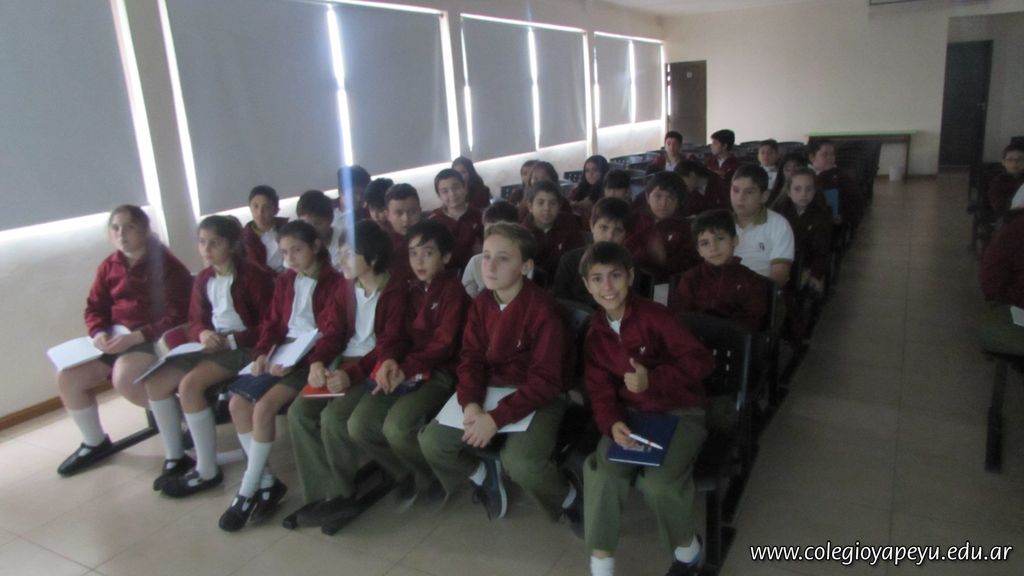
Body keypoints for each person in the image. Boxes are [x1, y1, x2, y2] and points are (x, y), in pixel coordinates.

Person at [419, 223, 581, 527]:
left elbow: (546, 380)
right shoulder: (482, 303)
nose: (490, 266)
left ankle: (569, 497)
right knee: (432, 442)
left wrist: (495, 419)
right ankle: (482, 475)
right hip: (491, 388)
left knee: (521, 463)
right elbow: (470, 359)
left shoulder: (544, 310)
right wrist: (470, 404)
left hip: (538, 394)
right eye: (486, 256)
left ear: (526, 267)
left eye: (503, 258)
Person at [580, 241, 714, 576]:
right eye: (597, 279)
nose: (607, 286)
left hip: (681, 411)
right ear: (587, 285)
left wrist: (652, 380)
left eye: (615, 276)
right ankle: (601, 565)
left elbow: (701, 361)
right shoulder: (595, 333)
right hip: (632, 417)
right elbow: (599, 391)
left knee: (659, 485)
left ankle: (688, 550)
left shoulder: (655, 316)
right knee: (603, 473)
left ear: (630, 277)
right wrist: (611, 423)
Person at [221, 220, 344, 532]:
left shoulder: (334, 282)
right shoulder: (286, 281)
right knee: (237, 403)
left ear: (316, 246)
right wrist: (262, 352)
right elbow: (273, 323)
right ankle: (266, 482)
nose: (290, 258)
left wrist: (300, 359)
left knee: (264, 407)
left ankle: (247, 491)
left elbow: (332, 333)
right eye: (285, 252)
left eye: (297, 250)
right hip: (283, 354)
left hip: (313, 359)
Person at [55, 205, 192, 477]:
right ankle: (94, 442)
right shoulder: (109, 265)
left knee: (125, 378)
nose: (121, 234)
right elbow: (94, 307)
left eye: (129, 227)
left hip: (152, 338)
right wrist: (98, 332)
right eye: (115, 228)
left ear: (144, 230)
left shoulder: (167, 265)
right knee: (67, 377)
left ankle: (184, 421)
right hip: (116, 337)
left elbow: (180, 314)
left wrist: (138, 337)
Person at [286, 219, 406, 526]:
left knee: (333, 419)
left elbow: (390, 344)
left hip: (374, 368)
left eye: (350, 254)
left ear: (373, 258)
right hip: (344, 362)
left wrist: (352, 375)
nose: (341, 261)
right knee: (299, 413)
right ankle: (321, 491)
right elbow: (333, 333)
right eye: (340, 253)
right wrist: (318, 362)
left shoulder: (395, 290)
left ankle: (341, 494)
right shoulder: (345, 287)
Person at [143, 216, 274, 497]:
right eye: (202, 242)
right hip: (211, 344)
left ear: (232, 244)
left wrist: (232, 340)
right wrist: (202, 334)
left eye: (215, 243)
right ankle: (176, 457)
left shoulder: (253, 276)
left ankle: (206, 470)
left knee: (190, 385)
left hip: (244, 347)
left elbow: (270, 324)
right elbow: (196, 319)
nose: (207, 249)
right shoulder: (204, 278)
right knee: (155, 382)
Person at [348, 220, 470, 510]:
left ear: (446, 257)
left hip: (441, 372)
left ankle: (434, 475)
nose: (419, 261)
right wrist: (389, 359)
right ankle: (404, 471)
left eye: (428, 253)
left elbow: (443, 345)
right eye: (413, 253)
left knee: (396, 427)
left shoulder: (453, 291)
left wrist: (405, 367)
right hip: (405, 369)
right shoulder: (408, 288)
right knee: (358, 425)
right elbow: (393, 334)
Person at [670, 209, 770, 333]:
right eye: (705, 243)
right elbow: (680, 319)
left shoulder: (752, 281)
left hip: (733, 342)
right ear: (699, 250)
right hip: (693, 340)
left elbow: (751, 323)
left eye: (720, 238)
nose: (713, 247)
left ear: (735, 240)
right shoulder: (691, 278)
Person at [553, 197, 631, 307]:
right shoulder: (569, 261)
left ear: (625, 234)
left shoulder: (630, 265)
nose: (610, 237)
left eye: (618, 230)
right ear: (591, 225)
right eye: (604, 228)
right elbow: (559, 303)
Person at [730, 164, 795, 286]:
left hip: (759, 290)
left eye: (749, 192)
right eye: (735, 190)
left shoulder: (779, 225)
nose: (740, 197)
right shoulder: (722, 223)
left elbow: (780, 274)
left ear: (764, 196)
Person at [773, 167, 833, 295]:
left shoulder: (821, 216)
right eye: (797, 189)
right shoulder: (777, 212)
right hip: (778, 261)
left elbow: (821, 250)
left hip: (805, 265)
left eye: (808, 189)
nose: (803, 194)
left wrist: (815, 275)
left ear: (815, 191)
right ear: (788, 192)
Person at [522, 180, 585, 286]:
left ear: (559, 206)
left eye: (552, 203)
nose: (547, 208)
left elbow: (579, 256)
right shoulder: (523, 233)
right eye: (540, 203)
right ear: (530, 206)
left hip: (567, 282)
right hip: (535, 286)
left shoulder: (568, 223)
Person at [462, 201, 524, 298]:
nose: (494, 238)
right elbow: (467, 299)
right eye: (489, 232)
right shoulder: (475, 262)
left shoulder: (521, 262)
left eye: (500, 233)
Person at [430, 168, 483, 272]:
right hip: (446, 273)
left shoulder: (479, 216)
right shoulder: (434, 221)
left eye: (456, 187)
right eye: (445, 191)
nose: (452, 194)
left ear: (465, 188)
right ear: (439, 196)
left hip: (476, 270)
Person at [241, 185, 287, 272]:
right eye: (255, 206)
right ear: (250, 207)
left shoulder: (288, 231)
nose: (260, 212)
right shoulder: (242, 237)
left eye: (266, 207)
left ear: (276, 210)